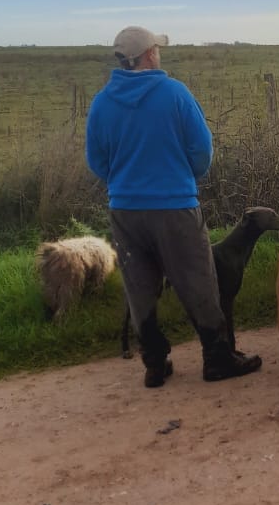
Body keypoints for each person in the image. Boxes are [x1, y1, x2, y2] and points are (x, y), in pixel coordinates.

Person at [85, 25, 262, 389]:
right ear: (150, 54)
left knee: (140, 287)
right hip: (175, 206)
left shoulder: (102, 102)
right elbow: (201, 150)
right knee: (199, 282)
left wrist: (123, 183)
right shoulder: (174, 93)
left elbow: (97, 161)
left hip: (125, 211)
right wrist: (184, 177)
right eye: (157, 49)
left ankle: (154, 364)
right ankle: (217, 358)